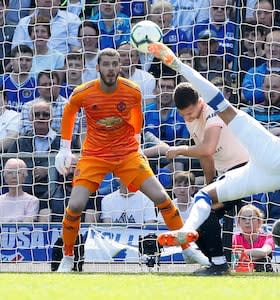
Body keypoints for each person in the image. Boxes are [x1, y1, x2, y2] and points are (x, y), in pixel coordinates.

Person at [146, 41, 280, 264]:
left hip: (277, 154)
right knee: (205, 195)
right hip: (275, 178)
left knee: (222, 106)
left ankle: (178, 65)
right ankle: (193, 238)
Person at [53, 48, 208, 272]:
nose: (110, 68)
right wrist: (64, 148)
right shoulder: (83, 92)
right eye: (106, 64)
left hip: (126, 154)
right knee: (75, 205)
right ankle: (68, 257)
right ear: (97, 67)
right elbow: (69, 111)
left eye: (114, 64)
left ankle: (187, 248)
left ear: (120, 67)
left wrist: (136, 138)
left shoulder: (132, 91)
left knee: (162, 198)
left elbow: (136, 113)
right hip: (94, 156)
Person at [164, 79, 250, 275]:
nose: (188, 117)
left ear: (200, 102)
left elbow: (208, 147)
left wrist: (179, 150)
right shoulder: (191, 118)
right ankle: (215, 263)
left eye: (190, 112)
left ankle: (219, 265)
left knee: (205, 211)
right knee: (200, 210)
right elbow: (206, 155)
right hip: (226, 175)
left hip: (244, 170)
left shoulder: (213, 111)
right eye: (184, 114)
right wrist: (209, 183)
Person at [6, 99, 63, 222]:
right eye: (37, 114)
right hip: (23, 191)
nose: (41, 117)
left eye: (45, 114)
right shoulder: (21, 141)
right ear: (31, 118)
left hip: (54, 193)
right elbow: (8, 166)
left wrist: (49, 170)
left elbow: (72, 168)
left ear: (52, 118)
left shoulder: (63, 141)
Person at [232, 204, 274, 272]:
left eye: (251, 218)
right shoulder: (234, 238)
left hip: (262, 274)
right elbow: (230, 256)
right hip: (239, 272)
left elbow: (264, 252)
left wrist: (242, 254)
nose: (247, 222)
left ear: (259, 221)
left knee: (264, 260)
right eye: (243, 218)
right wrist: (255, 255)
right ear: (238, 222)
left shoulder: (267, 237)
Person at [0, 158, 39, 222]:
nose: (14, 176)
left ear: (24, 177)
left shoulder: (32, 201)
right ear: (5, 177)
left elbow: (27, 224)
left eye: (18, 172)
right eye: (10, 173)